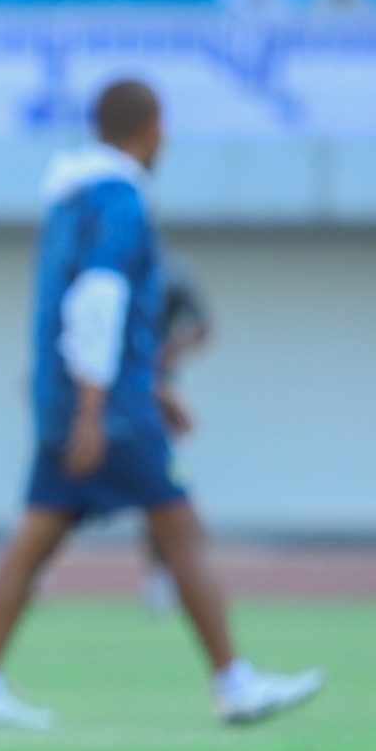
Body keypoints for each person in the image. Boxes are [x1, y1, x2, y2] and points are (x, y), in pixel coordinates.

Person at [0, 79, 322, 730]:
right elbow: (98, 299)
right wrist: (100, 407)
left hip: (80, 397)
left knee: (36, 538)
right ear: (149, 127)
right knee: (181, 528)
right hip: (107, 410)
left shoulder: (70, 199)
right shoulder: (120, 199)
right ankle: (234, 680)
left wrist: (146, 388)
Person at [138, 260, 214, 618]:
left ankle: (163, 577)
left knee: (167, 498)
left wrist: (167, 358)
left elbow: (203, 327)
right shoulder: (103, 271)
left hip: (153, 406)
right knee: (59, 504)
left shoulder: (172, 279)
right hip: (110, 405)